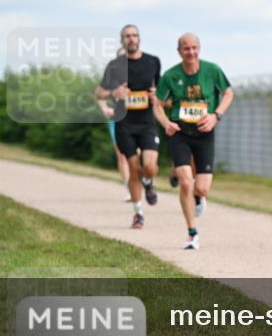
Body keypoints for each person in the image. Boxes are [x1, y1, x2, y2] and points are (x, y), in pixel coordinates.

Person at [153, 33, 233, 250]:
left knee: (202, 188)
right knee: (186, 182)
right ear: (179, 51)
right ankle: (192, 233)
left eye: (194, 48)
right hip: (180, 132)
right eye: (186, 49)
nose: (191, 52)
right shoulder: (171, 75)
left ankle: (198, 197)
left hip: (204, 132)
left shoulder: (212, 70)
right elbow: (157, 104)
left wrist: (216, 115)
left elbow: (228, 93)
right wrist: (166, 123)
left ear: (200, 49)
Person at [95, 26, 162, 228]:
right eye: (127, 36)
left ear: (139, 38)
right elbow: (99, 92)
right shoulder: (115, 65)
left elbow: (161, 91)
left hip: (147, 122)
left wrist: (155, 94)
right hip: (124, 123)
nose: (131, 39)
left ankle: (148, 182)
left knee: (149, 166)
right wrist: (113, 93)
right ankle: (138, 213)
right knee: (134, 168)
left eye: (134, 36)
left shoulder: (153, 61)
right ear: (122, 40)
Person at [96, 48, 132, 200]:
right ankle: (128, 188)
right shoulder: (112, 76)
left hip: (136, 118)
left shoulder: (138, 73)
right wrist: (105, 108)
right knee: (122, 155)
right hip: (116, 119)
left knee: (137, 154)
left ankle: (140, 182)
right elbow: (99, 94)